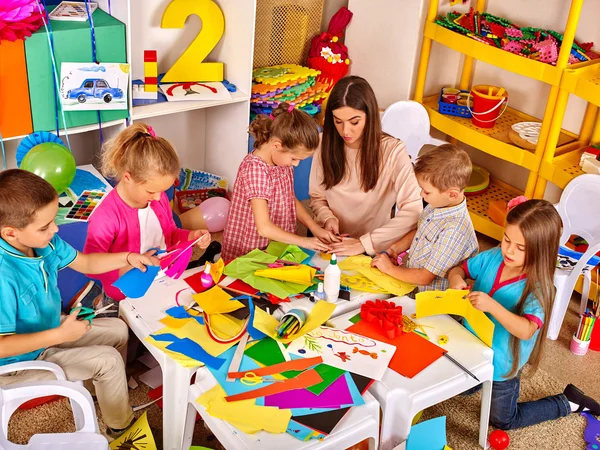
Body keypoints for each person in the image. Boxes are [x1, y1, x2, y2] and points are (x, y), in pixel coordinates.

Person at [0, 169, 158, 440]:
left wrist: (129, 257)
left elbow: (85, 263)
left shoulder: (42, 244)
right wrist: (60, 335)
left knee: (118, 330)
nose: (56, 229)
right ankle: (120, 429)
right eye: (45, 226)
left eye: (53, 221)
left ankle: (103, 394)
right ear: (11, 233)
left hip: (47, 331)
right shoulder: (3, 275)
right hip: (18, 363)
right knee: (107, 360)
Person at [447, 199, 600, 429]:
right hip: (472, 347)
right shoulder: (494, 256)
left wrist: (493, 306)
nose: (508, 250)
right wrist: (456, 280)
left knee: (502, 420)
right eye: (507, 239)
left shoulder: (539, 287)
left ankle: (568, 402)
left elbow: (527, 330)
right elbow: (459, 269)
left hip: (502, 363)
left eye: (520, 248)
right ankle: (477, 382)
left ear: (540, 251)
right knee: (454, 385)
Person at [84, 123, 211, 307]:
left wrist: (191, 236)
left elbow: (170, 234)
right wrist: (125, 267)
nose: (159, 197)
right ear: (128, 178)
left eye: (163, 191)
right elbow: (91, 266)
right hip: (123, 296)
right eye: (151, 191)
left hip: (161, 283)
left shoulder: (157, 200)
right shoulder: (106, 216)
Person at [309, 75, 422, 256]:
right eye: (338, 122)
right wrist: (327, 217)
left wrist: (364, 243)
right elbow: (317, 197)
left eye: (354, 122)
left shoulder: (393, 151)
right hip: (331, 241)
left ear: (369, 116)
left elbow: (413, 211)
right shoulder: (324, 143)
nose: (346, 131)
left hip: (372, 246)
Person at [221, 102, 334, 262]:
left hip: (277, 244)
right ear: (277, 145)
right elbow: (264, 228)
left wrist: (314, 227)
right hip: (251, 252)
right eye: (295, 159)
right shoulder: (256, 170)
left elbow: (289, 198)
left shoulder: (281, 160)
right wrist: (304, 241)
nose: (296, 164)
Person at [371, 144, 478, 292]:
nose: (421, 194)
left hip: (432, 305)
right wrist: (394, 249)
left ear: (452, 194)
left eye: (426, 192)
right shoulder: (439, 203)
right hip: (411, 287)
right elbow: (421, 231)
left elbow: (425, 277)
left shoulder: (455, 231)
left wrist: (389, 269)